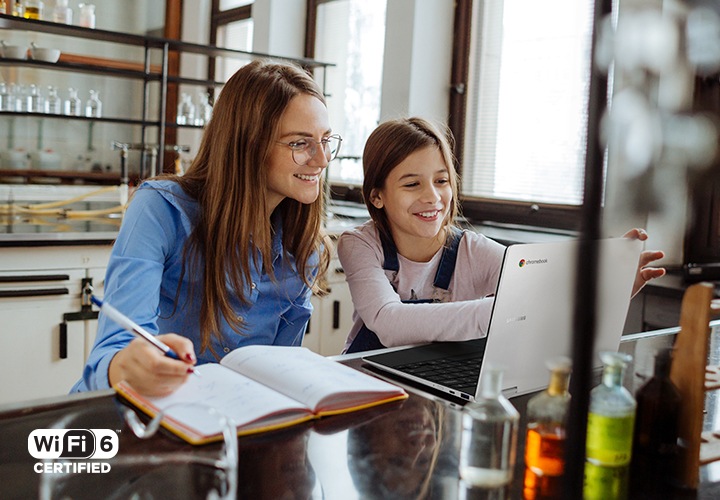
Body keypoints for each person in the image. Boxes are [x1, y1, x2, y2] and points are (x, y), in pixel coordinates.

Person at [71, 60, 340, 397]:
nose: (322, 159)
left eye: (325, 140)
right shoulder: (160, 210)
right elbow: (109, 356)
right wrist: (127, 365)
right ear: (249, 144)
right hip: (127, 419)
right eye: (300, 143)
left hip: (224, 425)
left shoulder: (303, 247)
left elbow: (279, 374)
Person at [337, 117, 665, 353]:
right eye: (412, 184)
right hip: (365, 384)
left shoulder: (473, 251)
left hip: (437, 386)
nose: (433, 197)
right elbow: (388, 322)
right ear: (377, 195)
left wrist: (611, 292)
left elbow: (546, 301)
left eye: (441, 180)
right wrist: (507, 309)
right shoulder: (360, 244)